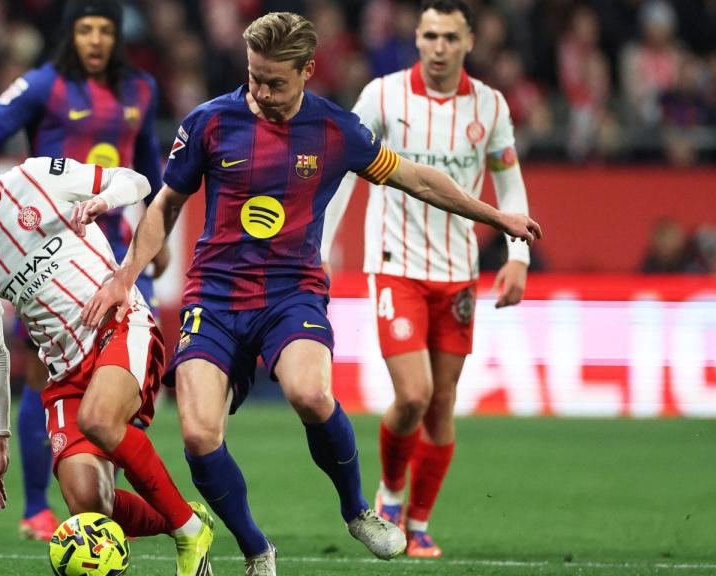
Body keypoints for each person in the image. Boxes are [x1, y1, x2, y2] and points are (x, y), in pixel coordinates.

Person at [83, 12, 540, 575]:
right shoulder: (210, 122)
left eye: (276, 81)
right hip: (216, 297)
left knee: (310, 394)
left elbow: (416, 177)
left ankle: (357, 511)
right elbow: (165, 204)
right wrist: (127, 274)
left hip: (291, 294)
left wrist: (495, 216)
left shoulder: (334, 130)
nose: (262, 93)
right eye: (253, 78)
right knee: (199, 434)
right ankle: (256, 549)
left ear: (307, 72)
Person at [0, 106, 214, 576]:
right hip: (64, 375)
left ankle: (189, 534)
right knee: (89, 504)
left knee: (99, 420)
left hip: (119, 329)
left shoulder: (37, 178)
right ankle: (182, 515)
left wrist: (105, 202)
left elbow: (137, 181)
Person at [321, 0, 536, 558]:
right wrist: (319, 249)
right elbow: (344, 168)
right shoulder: (383, 95)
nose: (439, 47)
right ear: (416, 39)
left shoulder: (489, 106)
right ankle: (390, 494)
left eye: (450, 37)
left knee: (442, 404)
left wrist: (517, 256)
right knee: (412, 395)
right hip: (394, 265)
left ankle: (418, 524)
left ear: (469, 42)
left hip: (458, 271)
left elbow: (508, 184)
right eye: (430, 35)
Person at [0, 0, 168, 541]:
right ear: (70, 35)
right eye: (85, 30)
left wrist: (160, 232)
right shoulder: (42, 86)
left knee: (119, 390)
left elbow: (148, 162)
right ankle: (38, 505)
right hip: (52, 261)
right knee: (45, 380)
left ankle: (109, 503)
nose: (96, 40)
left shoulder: (141, 90)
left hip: (118, 259)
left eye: (105, 30)